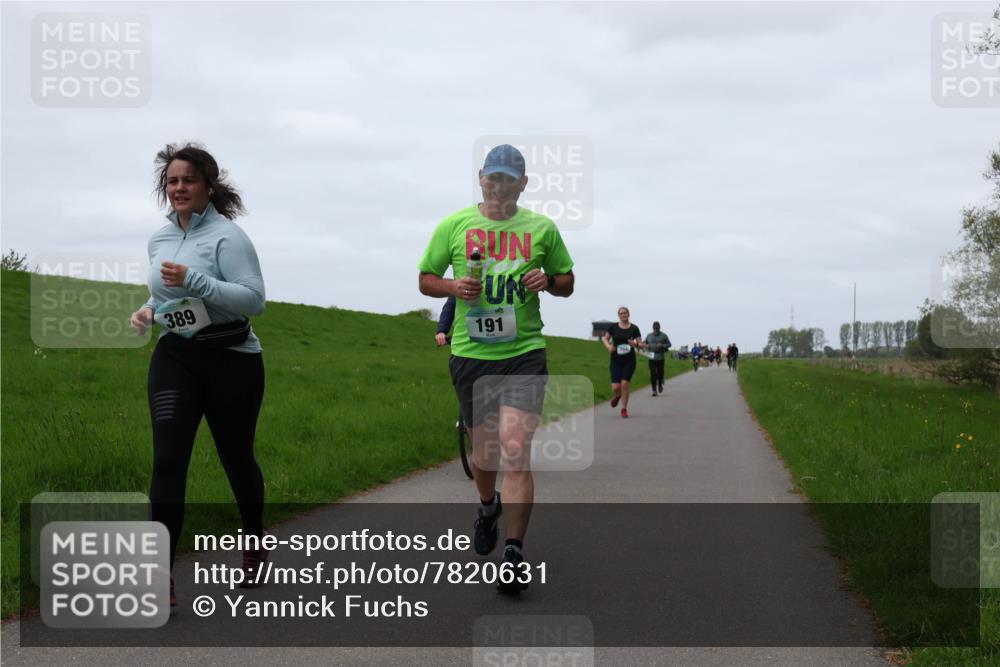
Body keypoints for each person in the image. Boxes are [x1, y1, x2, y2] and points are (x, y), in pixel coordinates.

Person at [417, 143, 575, 594]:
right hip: (472, 355)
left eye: (510, 179)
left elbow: (567, 280)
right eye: (493, 177)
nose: (500, 186)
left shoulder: (542, 228)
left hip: (525, 351)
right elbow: (426, 279)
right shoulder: (454, 225)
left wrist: (549, 281)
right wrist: (452, 285)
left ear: (522, 184)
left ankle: (513, 553)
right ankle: (488, 505)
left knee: (515, 449)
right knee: (484, 451)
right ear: (481, 177)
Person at [129, 143, 267, 607]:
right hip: (176, 357)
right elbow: (164, 293)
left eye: (189, 180)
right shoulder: (159, 239)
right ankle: (160, 576)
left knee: (236, 459)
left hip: (232, 359)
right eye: (172, 181)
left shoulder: (230, 237)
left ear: (208, 186)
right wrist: (149, 310)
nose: (180, 188)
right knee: (168, 460)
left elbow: (254, 301)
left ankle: (253, 540)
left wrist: (197, 281)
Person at [602, 307, 641, 417]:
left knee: (624, 384)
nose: (623, 315)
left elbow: (641, 344)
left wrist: (636, 344)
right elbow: (605, 339)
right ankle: (617, 396)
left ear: (629, 314)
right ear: (618, 315)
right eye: (621, 313)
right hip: (615, 360)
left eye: (625, 313)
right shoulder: (613, 327)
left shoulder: (634, 328)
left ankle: (623, 409)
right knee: (616, 387)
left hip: (629, 360)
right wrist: (609, 347)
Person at [642, 321, 671, 396]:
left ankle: (660, 384)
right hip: (651, 357)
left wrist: (662, 345)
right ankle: (654, 390)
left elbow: (669, 344)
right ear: (653, 328)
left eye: (657, 328)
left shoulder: (664, 335)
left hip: (660, 357)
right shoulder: (649, 335)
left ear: (659, 328)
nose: (656, 330)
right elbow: (644, 343)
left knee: (660, 373)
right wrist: (646, 345)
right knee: (653, 373)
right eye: (655, 329)